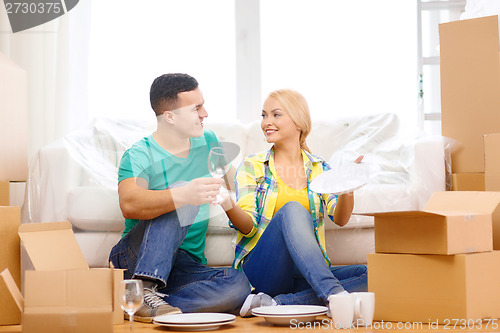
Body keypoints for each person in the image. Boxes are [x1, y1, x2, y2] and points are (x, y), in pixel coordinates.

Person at [108, 73, 250, 322]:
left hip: (184, 264)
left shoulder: (208, 142)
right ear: (170, 116)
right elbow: (129, 203)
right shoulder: (140, 154)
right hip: (135, 258)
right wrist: (184, 193)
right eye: (196, 108)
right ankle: (144, 285)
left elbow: (238, 184)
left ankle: (142, 300)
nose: (204, 113)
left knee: (238, 285)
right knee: (180, 193)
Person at [220, 89, 368, 317]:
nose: (266, 122)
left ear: (299, 122)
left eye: (276, 115)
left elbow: (339, 218)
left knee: (368, 275)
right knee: (293, 210)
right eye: (264, 115)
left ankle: (275, 305)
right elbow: (247, 226)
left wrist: (348, 187)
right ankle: (333, 295)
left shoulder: (319, 168)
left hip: (303, 274)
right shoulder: (253, 166)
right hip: (262, 270)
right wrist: (227, 203)